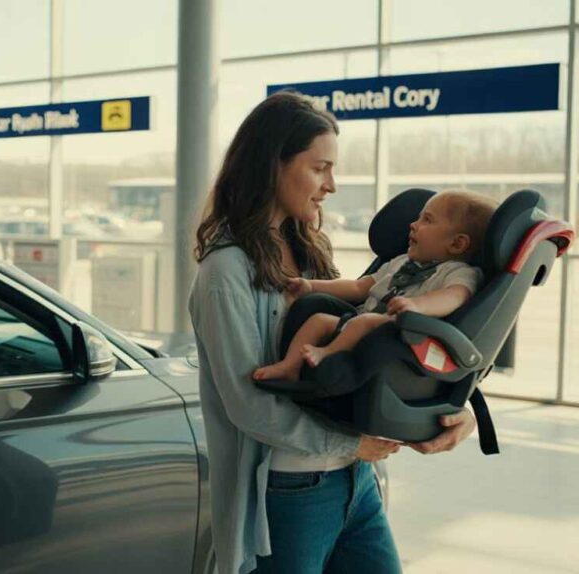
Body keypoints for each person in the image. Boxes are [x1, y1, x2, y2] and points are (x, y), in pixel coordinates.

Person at [188, 91, 478, 574]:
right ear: (271, 166)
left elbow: (377, 347)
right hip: (288, 491)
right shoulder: (225, 273)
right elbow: (247, 404)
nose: (332, 185)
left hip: (356, 482)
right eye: (320, 168)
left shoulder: (309, 254)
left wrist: (452, 411)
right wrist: (351, 446)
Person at [252, 190, 498, 382]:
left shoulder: (459, 273)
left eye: (427, 220)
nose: (413, 224)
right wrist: (311, 286)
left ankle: (327, 354)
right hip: (362, 320)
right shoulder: (400, 262)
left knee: (365, 321)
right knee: (318, 319)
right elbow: (359, 287)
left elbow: (455, 297)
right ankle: (290, 366)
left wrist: (417, 306)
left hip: (398, 333)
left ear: (457, 244)